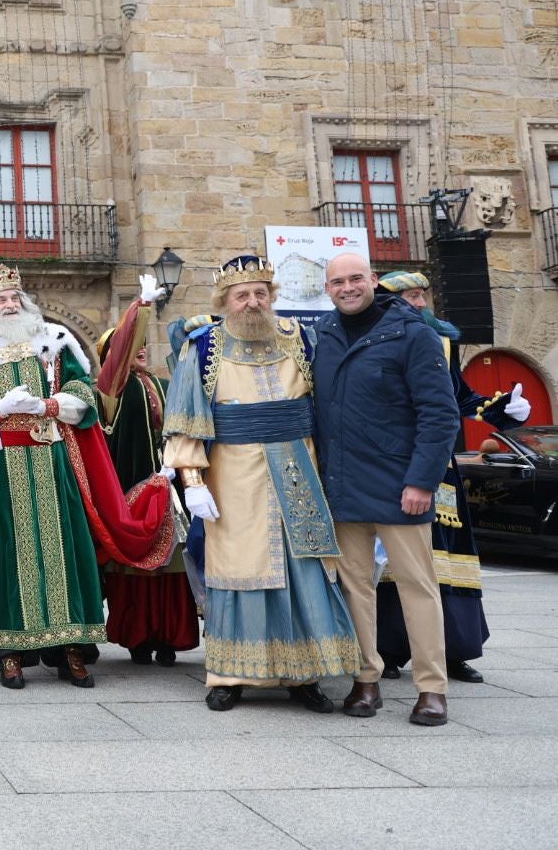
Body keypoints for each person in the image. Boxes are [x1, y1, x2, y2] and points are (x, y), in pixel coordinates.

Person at [0, 264, 176, 691]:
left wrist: (49, 407)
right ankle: (11, 652)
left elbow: (83, 391)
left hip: (55, 459)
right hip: (2, 468)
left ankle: (71, 649)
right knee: (8, 555)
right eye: (0, 300)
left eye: (15, 298)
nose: (9, 304)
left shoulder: (54, 343)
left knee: (67, 549)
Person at [163, 254, 359, 713]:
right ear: (225, 301)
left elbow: (327, 406)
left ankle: (304, 674)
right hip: (234, 472)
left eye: (260, 293)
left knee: (301, 567)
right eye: (241, 295)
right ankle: (229, 675)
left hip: (297, 468)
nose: (252, 302)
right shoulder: (205, 345)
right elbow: (187, 417)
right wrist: (192, 480)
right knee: (239, 570)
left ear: (271, 296)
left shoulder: (299, 338)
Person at [316, 253, 459, 726]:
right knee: (354, 587)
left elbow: (440, 415)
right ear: (328, 288)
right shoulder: (324, 336)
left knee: (418, 587)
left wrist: (422, 480)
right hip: (343, 486)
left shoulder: (413, 333)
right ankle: (365, 679)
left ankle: (431, 687)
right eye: (338, 281)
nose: (348, 287)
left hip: (401, 486)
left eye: (356, 278)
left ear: (374, 281)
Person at [373, 271, 531, 685]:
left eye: (423, 295)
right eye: (412, 297)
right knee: (391, 560)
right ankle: (387, 649)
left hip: (438, 467)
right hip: (389, 464)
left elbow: (460, 399)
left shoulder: (441, 342)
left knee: (450, 557)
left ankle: (455, 649)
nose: (422, 304)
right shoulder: (370, 342)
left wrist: (501, 410)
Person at [96, 278, 199, 667]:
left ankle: (170, 636)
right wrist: (140, 307)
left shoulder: (164, 383)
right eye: (128, 346)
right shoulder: (108, 391)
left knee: (172, 563)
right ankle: (138, 637)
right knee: (135, 567)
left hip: (170, 489)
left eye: (143, 345)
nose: (139, 350)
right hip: (130, 492)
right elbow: (121, 352)